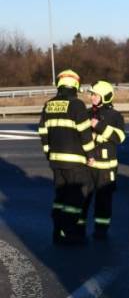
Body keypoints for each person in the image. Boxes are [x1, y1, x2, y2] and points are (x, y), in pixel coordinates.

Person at [38, 69, 95, 245]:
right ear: (75, 85)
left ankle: (57, 231)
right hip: (75, 162)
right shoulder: (77, 105)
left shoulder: (48, 105)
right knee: (75, 197)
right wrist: (91, 155)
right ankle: (69, 233)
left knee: (60, 197)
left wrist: (49, 154)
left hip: (55, 161)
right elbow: (85, 134)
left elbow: (43, 132)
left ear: (59, 83)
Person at [85, 80, 126, 238]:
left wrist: (100, 126)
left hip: (106, 168)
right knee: (84, 199)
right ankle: (78, 230)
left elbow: (120, 137)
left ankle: (101, 231)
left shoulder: (115, 116)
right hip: (88, 165)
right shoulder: (87, 113)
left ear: (105, 96)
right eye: (92, 94)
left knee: (103, 201)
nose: (92, 97)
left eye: (95, 94)